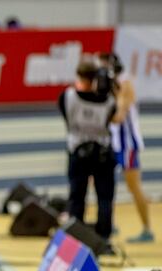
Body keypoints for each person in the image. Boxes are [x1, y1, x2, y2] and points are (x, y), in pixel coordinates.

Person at [59, 59, 127, 241]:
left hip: (77, 150)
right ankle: (103, 239)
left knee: (76, 197)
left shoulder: (67, 97)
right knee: (104, 198)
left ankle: (74, 238)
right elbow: (116, 118)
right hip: (102, 153)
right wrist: (115, 93)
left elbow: (67, 115)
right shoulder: (108, 101)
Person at [100, 53, 154, 242]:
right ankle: (108, 223)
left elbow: (119, 117)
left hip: (127, 144)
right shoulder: (109, 86)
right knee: (102, 183)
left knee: (134, 186)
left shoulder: (125, 84)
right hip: (112, 143)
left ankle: (147, 229)